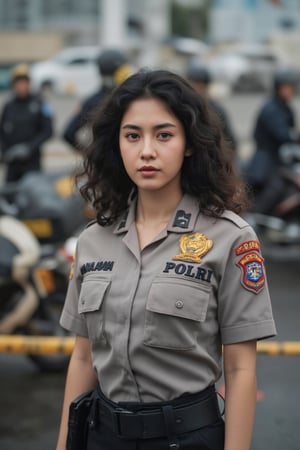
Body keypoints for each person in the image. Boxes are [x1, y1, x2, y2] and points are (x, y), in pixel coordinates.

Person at [56, 69, 276, 450]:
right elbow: (83, 358)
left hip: (187, 438)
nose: (146, 151)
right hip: (102, 436)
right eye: (132, 136)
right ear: (117, 144)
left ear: (189, 143)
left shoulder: (230, 238)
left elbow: (240, 371)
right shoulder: (93, 241)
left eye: (164, 135)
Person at [245, 68, 300, 213]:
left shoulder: (286, 108)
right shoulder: (271, 109)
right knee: (276, 184)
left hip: (281, 156)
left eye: (291, 87)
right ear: (278, 87)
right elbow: (283, 134)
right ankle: (257, 215)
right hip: (267, 157)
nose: (289, 90)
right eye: (286, 87)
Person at [63, 48, 132, 151]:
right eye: (122, 72)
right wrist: (91, 155)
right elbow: (69, 133)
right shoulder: (95, 101)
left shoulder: (131, 97)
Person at [0, 63, 53, 182]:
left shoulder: (40, 103)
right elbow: (2, 131)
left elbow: (48, 131)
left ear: (29, 83)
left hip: (32, 163)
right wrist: (4, 152)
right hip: (12, 164)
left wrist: (29, 148)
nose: (21, 86)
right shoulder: (9, 105)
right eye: (18, 83)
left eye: (24, 82)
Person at [186, 60, 237, 154]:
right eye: (194, 85)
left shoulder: (216, 110)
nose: (197, 89)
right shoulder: (184, 108)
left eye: (200, 86)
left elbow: (229, 140)